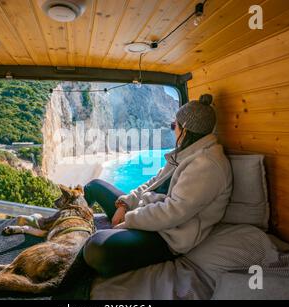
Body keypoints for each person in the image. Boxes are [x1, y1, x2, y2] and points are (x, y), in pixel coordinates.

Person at [82, 94, 233, 277]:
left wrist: (129, 219)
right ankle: (80, 226)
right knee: (93, 186)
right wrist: (124, 204)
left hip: (166, 236)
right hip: (147, 213)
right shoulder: (184, 153)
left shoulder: (207, 165)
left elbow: (173, 212)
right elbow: (153, 182)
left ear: (184, 130)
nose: (173, 130)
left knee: (95, 247)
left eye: (173, 126)